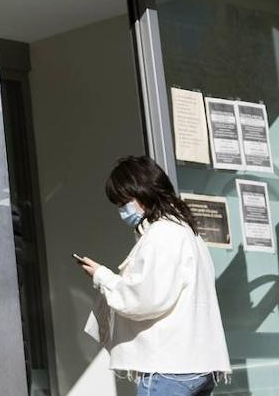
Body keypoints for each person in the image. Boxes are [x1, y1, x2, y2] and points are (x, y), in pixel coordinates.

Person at [78, 156, 230, 396]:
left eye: (124, 202)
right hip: (197, 363)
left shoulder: (163, 234)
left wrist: (102, 277)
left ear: (143, 192)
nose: (122, 211)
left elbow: (145, 298)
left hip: (170, 365)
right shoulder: (187, 231)